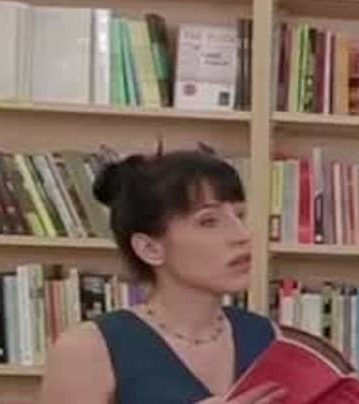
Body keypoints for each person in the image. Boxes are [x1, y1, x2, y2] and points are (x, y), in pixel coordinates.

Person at [39, 151, 284, 404]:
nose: (242, 236)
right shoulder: (86, 348)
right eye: (209, 221)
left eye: (240, 216)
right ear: (150, 249)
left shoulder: (266, 336)